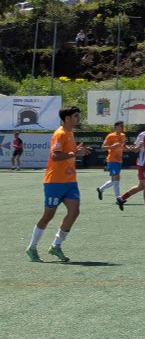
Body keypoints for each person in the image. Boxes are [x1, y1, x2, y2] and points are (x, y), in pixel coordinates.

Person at [26, 106, 90, 262]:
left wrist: (77, 150)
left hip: (69, 181)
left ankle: (56, 245)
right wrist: (75, 152)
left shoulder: (70, 133)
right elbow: (55, 156)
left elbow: (69, 153)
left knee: (74, 211)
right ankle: (32, 247)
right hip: (54, 181)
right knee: (48, 215)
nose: (78, 118)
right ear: (67, 118)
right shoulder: (59, 134)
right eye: (75, 116)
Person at [116, 117, 145, 217]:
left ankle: (121, 198)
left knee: (141, 186)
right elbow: (135, 150)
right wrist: (139, 146)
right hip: (143, 164)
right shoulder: (142, 135)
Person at [96, 121, 127, 201]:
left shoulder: (123, 136)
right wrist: (112, 146)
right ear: (116, 127)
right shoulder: (110, 136)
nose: (122, 128)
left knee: (115, 180)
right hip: (112, 160)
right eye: (121, 126)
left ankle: (100, 189)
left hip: (119, 160)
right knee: (116, 179)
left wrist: (129, 148)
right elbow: (103, 148)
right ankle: (118, 198)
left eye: (123, 126)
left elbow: (123, 146)